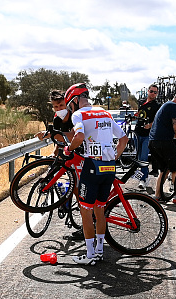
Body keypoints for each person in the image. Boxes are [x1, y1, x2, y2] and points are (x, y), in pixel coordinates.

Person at [65, 83, 128, 265]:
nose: (70, 108)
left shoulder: (79, 114)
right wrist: (115, 156)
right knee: (100, 210)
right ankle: (100, 251)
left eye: (70, 104)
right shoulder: (104, 112)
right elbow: (123, 138)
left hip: (92, 166)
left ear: (75, 100)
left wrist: (69, 150)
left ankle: (90, 255)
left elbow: (78, 137)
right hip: (109, 167)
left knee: (86, 211)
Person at [147, 90, 176, 202]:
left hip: (153, 142)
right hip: (163, 142)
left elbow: (167, 126)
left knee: (165, 169)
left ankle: (157, 196)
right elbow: (175, 124)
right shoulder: (172, 105)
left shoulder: (165, 106)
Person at [130, 84, 161, 191]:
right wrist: (135, 115)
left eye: (155, 92)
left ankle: (143, 179)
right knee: (138, 158)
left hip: (148, 134)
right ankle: (142, 177)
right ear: (148, 91)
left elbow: (157, 120)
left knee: (143, 157)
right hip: (138, 132)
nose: (153, 94)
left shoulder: (157, 105)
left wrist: (150, 125)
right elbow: (140, 113)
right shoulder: (142, 102)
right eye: (151, 91)